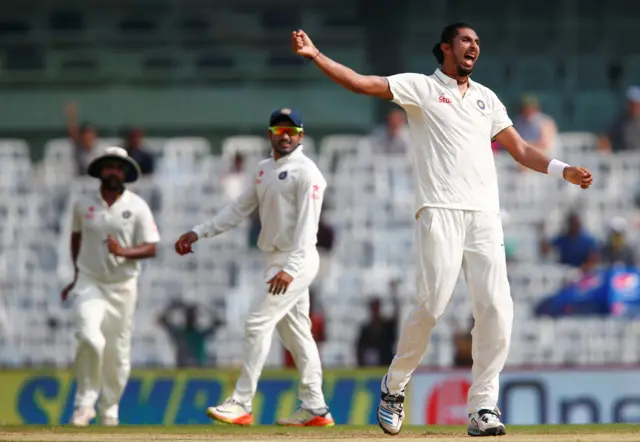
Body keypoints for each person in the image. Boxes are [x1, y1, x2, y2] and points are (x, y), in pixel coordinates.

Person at [291, 23, 593, 437]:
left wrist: (562, 170)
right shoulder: (422, 88)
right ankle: (394, 386)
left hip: (485, 216)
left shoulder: (487, 99)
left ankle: (483, 407)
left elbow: (520, 150)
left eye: (478, 43)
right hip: (439, 212)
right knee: (432, 306)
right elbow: (364, 85)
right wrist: (318, 56)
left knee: (497, 310)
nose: (474, 47)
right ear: (446, 48)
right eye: (467, 41)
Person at [174, 108, 334, 427]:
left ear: (301, 136)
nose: (285, 135)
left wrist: (291, 268)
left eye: (292, 131)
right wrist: (199, 231)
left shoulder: (308, 173)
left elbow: (308, 228)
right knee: (297, 334)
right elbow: (238, 209)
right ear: (270, 134)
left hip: (296, 260)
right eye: (279, 130)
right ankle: (316, 408)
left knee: (257, 322)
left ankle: (241, 403)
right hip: (274, 258)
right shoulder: (263, 170)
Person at [60, 146, 160, 426]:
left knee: (117, 352)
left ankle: (110, 408)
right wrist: (76, 274)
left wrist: (123, 253)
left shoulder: (137, 206)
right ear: (100, 171)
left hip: (123, 286)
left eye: (118, 167)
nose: (113, 172)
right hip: (90, 282)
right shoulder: (83, 204)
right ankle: (84, 404)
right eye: (108, 167)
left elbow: (152, 247)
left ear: (126, 173)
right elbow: (76, 239)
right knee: (90, 337)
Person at [158, 300, 225, 367]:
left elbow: (219, 323)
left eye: (192, 316)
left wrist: (205, 308)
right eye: (188, 316)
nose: (190, 319)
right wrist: (172, 307)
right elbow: (161, 320)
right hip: (182, 371)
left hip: (198, 370)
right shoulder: (179, 334)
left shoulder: (199, 335)